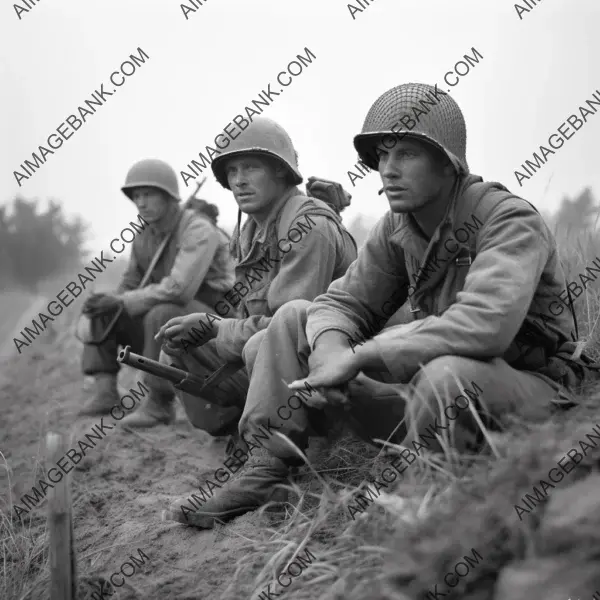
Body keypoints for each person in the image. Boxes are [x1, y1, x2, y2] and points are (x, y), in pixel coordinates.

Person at [164, 82, 599, 529]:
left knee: (447, 377)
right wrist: (331, 349)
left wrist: (360, 355)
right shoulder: (398, 226)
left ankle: (425, 495)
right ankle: (268, 466)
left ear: (448, 162)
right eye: (382, 157)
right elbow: (342, 301)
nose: (387, 170)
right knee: (296, 318)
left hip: (523, 390)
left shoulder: (509, 220)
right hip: (428, 394)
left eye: (406, 155)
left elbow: (485, 325)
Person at [144, 116, 358, 442]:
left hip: (342, 363)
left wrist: (215, 327)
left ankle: (290, 439)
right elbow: (252, 316)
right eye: (232, 171)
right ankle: (241, 425)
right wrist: (207, 329)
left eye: (251, 168)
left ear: (281, 172)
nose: (239, 181)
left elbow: (288, 330)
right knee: (180, 341)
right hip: (284, 354)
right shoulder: (251, 231)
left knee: (255, 345)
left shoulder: (308, 226)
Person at [79, 158, 235, 427]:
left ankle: (159, 402)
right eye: (136, 196)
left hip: (212, 324)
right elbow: (131, 282)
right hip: (167, 321)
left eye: (149, 194)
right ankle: (105, 391)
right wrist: (112, 302)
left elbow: (179, 290)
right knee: (104, 310)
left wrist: (123, 300)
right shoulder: (143, 235)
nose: (141, 203)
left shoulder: (197, 229)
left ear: (169, 196)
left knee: (162, 312)